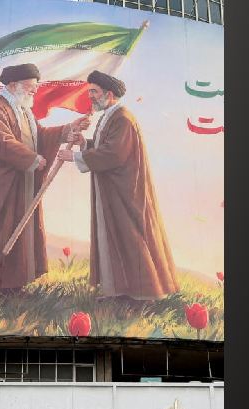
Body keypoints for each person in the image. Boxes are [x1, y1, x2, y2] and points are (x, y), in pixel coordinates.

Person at [0, 64, 90, 302]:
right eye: (30, 87)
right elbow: (1, 143)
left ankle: (12, 285)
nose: (34, 92)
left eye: (34, 88)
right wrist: (31, 158)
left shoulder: (22, 109)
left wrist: (68, 130)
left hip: (18, 186)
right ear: (13, 86)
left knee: (17, 234)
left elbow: (39, 135)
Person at [57, 70, 179, 304]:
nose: (90, 96)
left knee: (130, 238)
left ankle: (143, 296)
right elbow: (104, 146)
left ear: (109, 94)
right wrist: (85, 144)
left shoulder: (123, 118)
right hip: (112, 190)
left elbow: (114, 154)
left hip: (126, 192)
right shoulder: (108, 116)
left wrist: (74, 157)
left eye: (93, 91)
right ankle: (121, 292)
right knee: (115, 238)